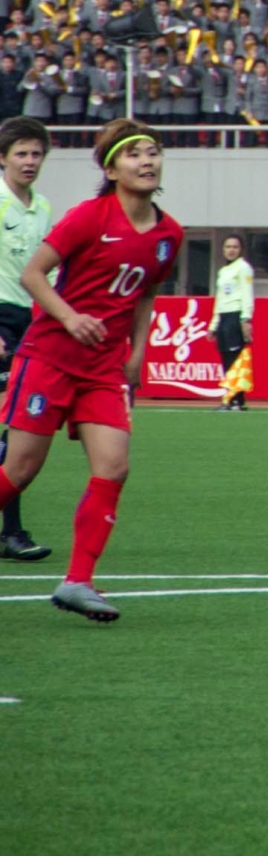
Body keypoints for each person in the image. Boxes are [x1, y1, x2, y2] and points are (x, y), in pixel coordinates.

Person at [0, 119, 180, 622]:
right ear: (111, 167)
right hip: (50, 355)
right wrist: (69, 316)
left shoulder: (169, 234)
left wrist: (137, 353)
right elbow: (34, 274)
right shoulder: (87, 217)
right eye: (134, 155)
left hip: (103, 367)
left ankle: (78, 581)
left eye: (153, 152)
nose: (146, 161)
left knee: (114, 467)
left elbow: (145, 293)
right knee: (19, 471)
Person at [0, 115, 54, 557]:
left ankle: (11, 533)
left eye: (36, 153)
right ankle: (12, 533)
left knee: (16, 432)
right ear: (3, 159)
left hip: (27, 323)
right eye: (21, 153)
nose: (30, 161)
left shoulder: (43, 208)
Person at [212, 233, 256, 411]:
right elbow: (220, 298)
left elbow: (247, 294)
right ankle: (233, 398)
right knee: (225, 358)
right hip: (224, 317)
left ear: (241, 250)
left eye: (235, 247)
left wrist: (246, 318)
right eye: (228, 247)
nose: (231, 250)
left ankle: (235, 399)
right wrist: (214, 324)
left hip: (235, 315)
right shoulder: (223, 271)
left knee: (235, 359)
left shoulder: (243, 268)